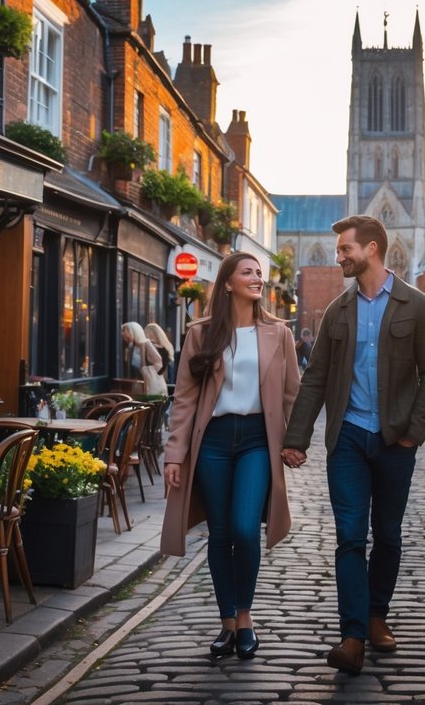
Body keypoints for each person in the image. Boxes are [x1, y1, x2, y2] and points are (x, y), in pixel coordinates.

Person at [281, 215, 425, 675]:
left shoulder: (418, 306)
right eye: (337, 250)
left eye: (345, 249)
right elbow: (314, 379)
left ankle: (377, 618)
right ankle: (352, 636)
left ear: (371, 249)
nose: (338, 256)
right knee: (350, 537)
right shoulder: (338, 311)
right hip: (349, 437)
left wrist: (414, 430)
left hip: (395, 439)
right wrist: (298, 438)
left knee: (387, 535)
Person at [160, 252, 301, 662]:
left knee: (244, 528)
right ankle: (228, 623)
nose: (258, 278)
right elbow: (184, 398)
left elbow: (292, 392)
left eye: (260, 273)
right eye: (248, 272)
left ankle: (246, 616)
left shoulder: (279, 333)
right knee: (220, 534)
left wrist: (296, 440)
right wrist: (175, 453)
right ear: (227, 283)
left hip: (258, 439)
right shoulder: (202, 334)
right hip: (214, 442)